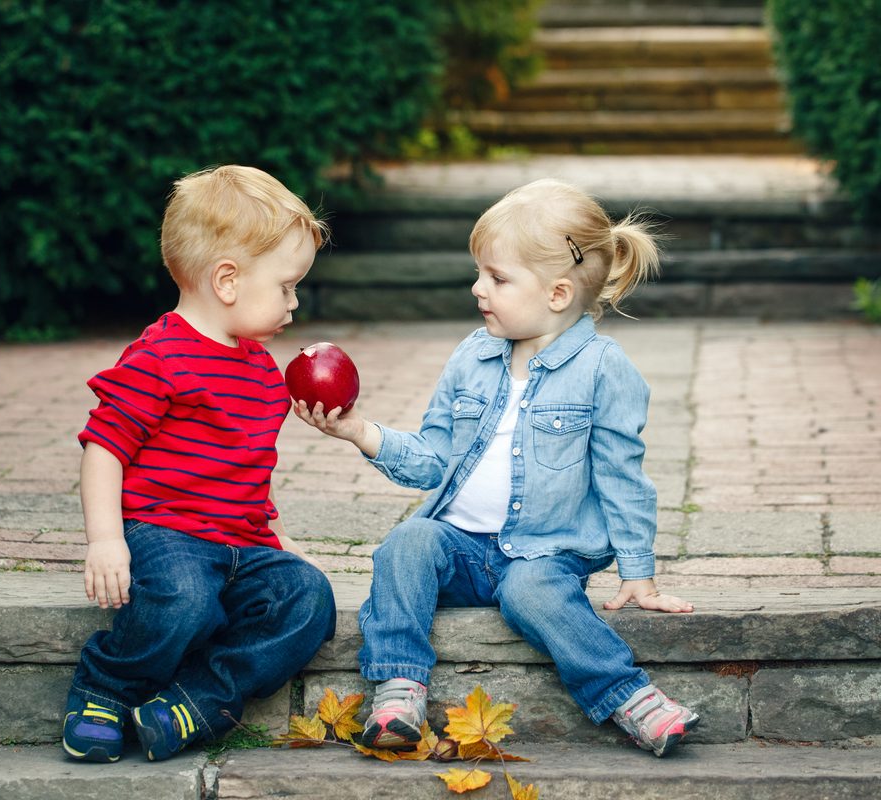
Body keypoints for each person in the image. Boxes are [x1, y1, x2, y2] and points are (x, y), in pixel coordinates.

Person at [295, 178, 699, 758]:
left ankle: (629, 696)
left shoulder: (604, 370)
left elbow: (622, 478)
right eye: (481, 272)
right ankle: (398, 687)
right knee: (407, 542)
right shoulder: (472, 355)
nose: (478, 287)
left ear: (558, 294)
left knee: (534, 591)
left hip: (545, 552)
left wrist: (638, 574)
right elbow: (433, 460)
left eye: (498, 278)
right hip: (460, 545)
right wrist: (361, 432)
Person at [62, 165, 336, 764]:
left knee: (309, 598)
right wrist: (106, 541)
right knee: (185, 597)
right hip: (165, 534)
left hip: (239, 543)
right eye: (288, 286)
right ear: (228, 280)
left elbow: (248, 476)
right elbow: (104, 446)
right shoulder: (158, 355)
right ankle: (105, 689)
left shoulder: (263, 371)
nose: (295, 301)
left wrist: (284, 544)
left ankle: (196, 700)